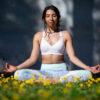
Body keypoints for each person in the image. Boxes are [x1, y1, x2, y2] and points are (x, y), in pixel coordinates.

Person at [3, 5, 100, 83]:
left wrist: (88, 68)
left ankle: (47, 82)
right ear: (44, 19)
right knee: (18, 74)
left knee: (87, 74)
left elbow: (72, 57)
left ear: (58, 17)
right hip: (44, 72)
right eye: (48, 16)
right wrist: (16, 68)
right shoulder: (38, 36)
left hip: (62, 72)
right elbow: (32, 59)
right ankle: (58, 82)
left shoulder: (65, 34)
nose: (51, 18)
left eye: (54, 15)